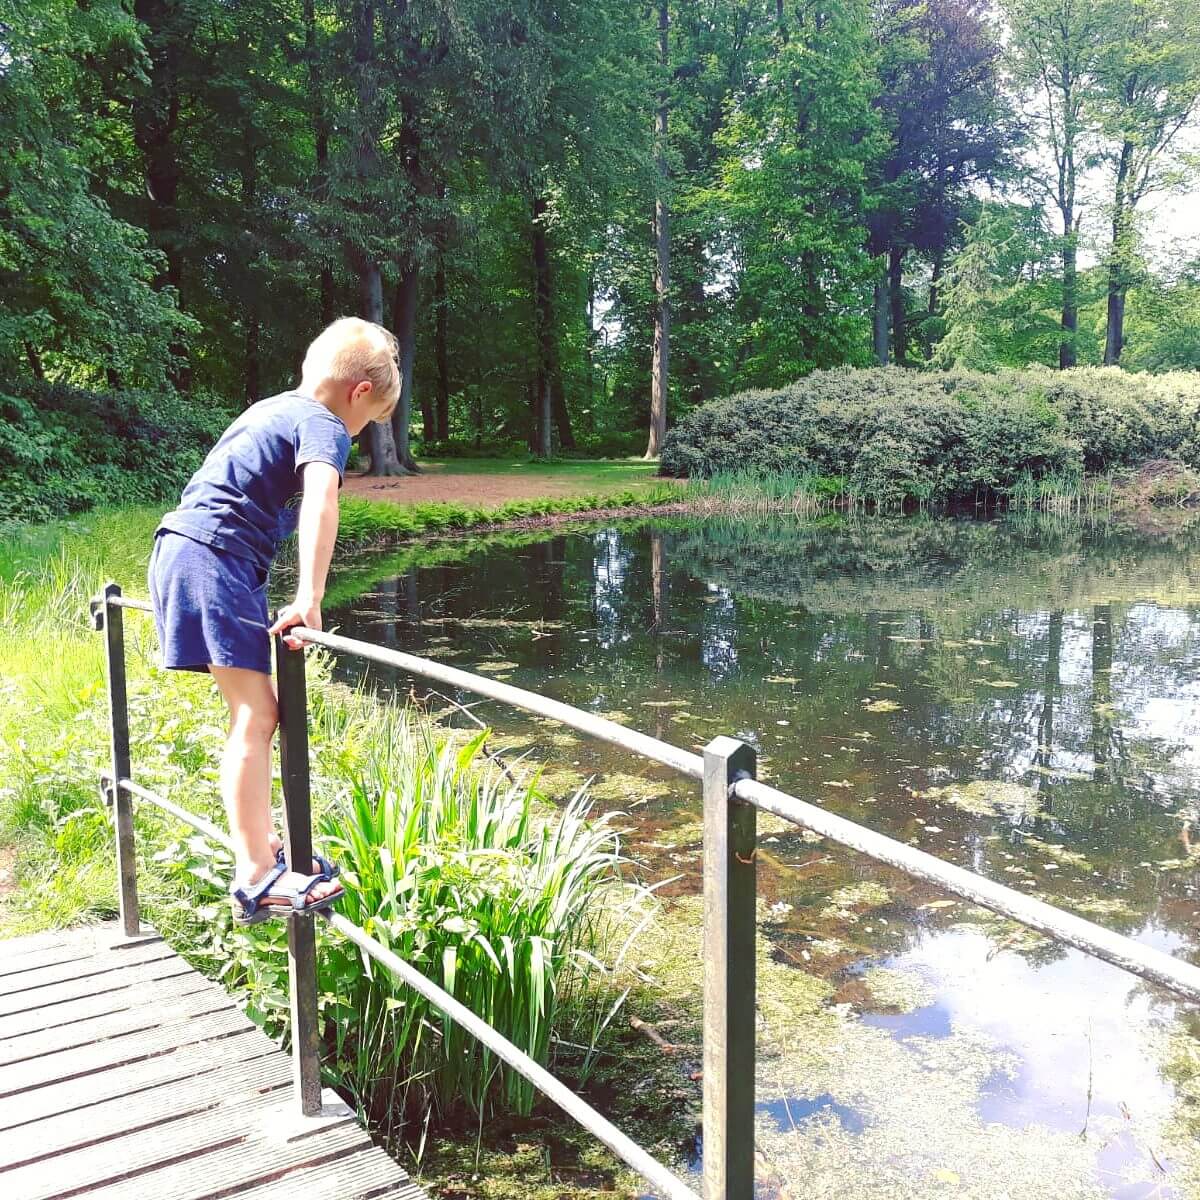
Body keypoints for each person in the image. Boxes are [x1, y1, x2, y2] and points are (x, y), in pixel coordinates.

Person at [148, 317, 400, 924]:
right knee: (256, 715)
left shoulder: (273, 408)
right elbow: (322, 497)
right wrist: (309, 595)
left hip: (185, 548)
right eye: (365, 423)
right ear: (358, 393)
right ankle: (258, 875)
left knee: (252, 714)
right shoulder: (322, 422)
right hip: (215, 555)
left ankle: (262, 850)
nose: (357, 434)